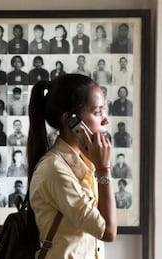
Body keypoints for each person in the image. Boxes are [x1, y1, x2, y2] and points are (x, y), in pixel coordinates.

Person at [27, 74, 117, 258]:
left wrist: (99, 167)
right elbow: (108, 231)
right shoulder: (54, 169)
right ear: (71, 120)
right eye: (98, 112)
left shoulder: (88, 164)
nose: (106, 120)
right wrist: (104, 169)